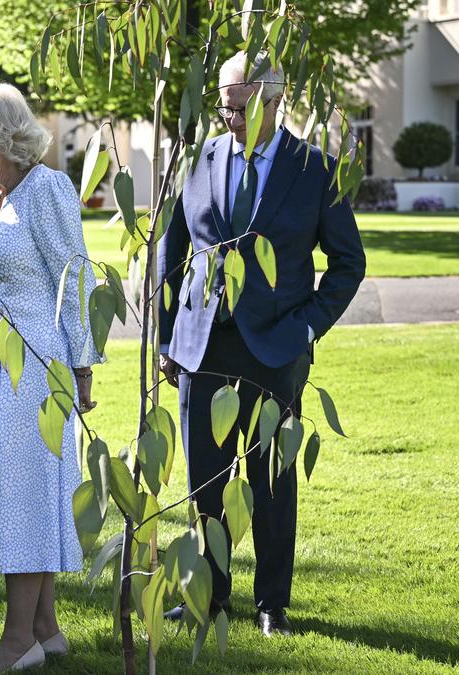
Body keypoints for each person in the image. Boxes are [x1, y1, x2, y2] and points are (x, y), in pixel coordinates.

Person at [157, 53, 365, 637]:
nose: (226, 115)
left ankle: (272, 602)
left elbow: (349, 263)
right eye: (222, 104)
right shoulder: (198, 158)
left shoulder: (315, 168)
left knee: (272, 484)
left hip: (277, 350)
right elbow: (169, 251)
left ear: (275, 101)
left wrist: (306, 329)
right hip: (200, 350)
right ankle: (209, 596)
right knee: (205, 484)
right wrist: (169, 338)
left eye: (239, 106)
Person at [0, 83, 102, 673]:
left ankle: (16, 640)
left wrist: (81, 369)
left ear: (6, 135)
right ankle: (46, 629)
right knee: (17, 495)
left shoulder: (47, 187)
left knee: (26, 500)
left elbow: (74, 280)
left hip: (35, 369)